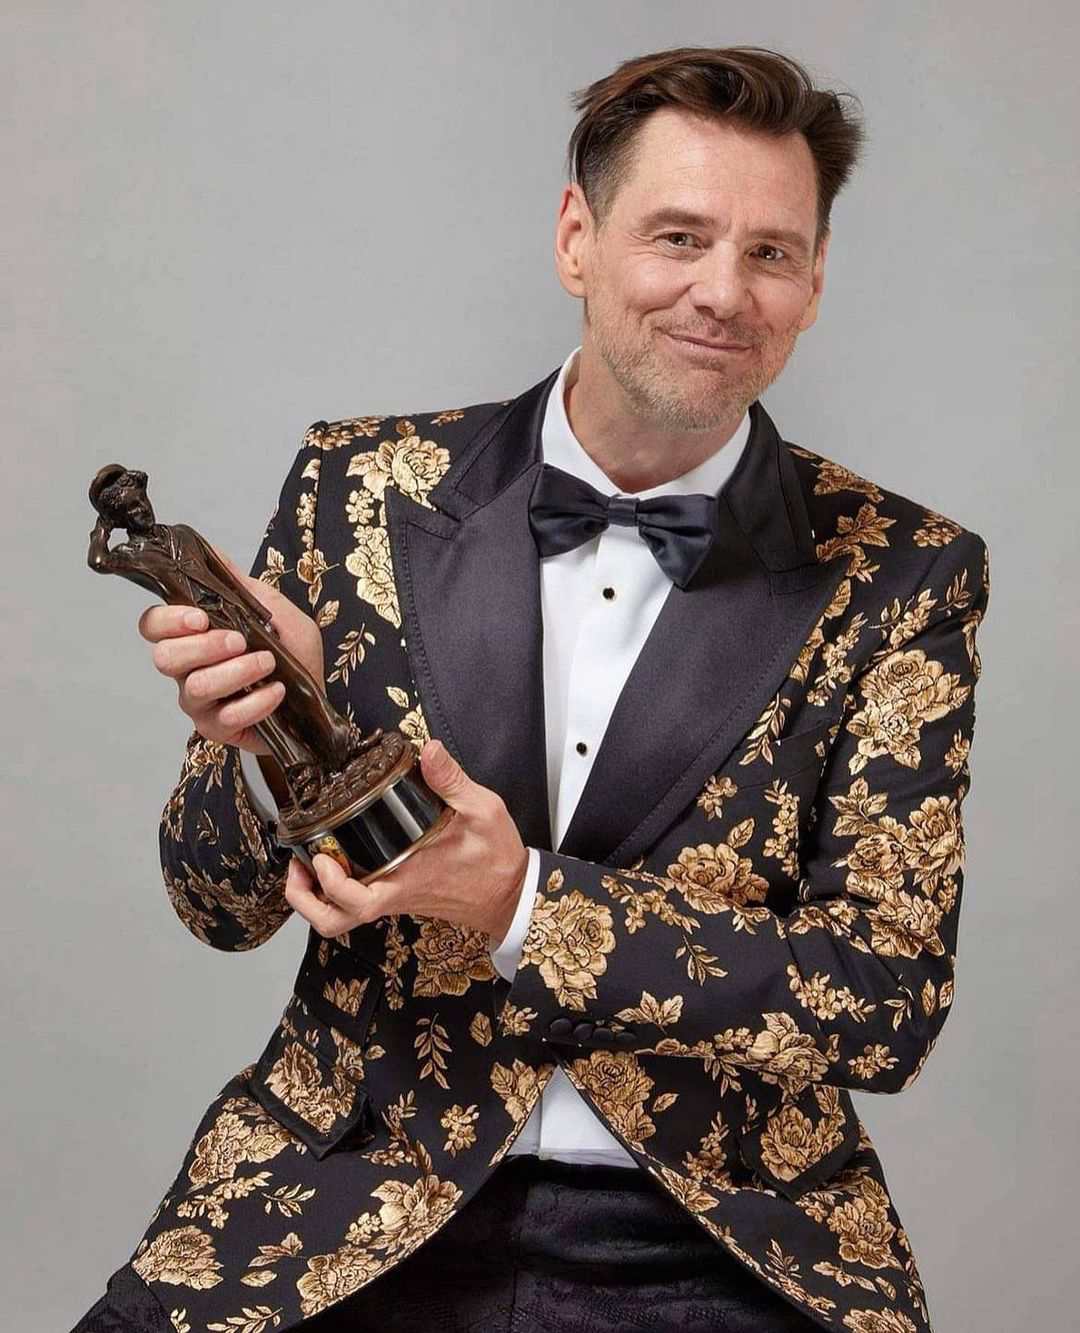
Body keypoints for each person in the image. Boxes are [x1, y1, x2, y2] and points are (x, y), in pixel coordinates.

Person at [71, 44, 990, 1333]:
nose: (724, 292)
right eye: (679, 237)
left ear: (816, 279)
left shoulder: (903, 570)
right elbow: (215, 908)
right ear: (577, 239)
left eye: (772, 253)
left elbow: (886, 1000)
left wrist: (522, 906)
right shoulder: (357, 486)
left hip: (720, 1234)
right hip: (346, 1188)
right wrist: (265, 735)